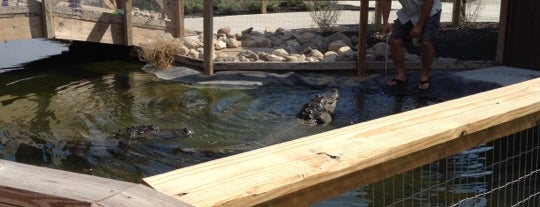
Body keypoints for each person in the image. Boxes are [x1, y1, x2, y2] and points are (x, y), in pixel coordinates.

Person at [382, 0, 442, 90]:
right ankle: (400, 75)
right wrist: (385, 21)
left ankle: (424, 76)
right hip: (408, 12)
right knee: (394, 41)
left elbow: (429, 2)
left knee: (427, 42)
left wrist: (419, 26)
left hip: (430, 11)